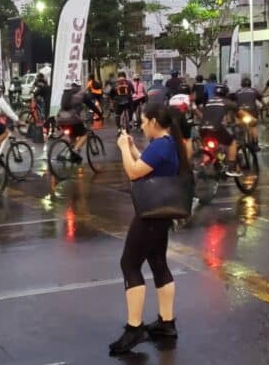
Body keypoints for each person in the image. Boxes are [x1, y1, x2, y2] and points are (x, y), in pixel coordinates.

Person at [111, 102, 188, 354]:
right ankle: (166, 323)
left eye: (144, 122)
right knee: (157, 262)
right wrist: (133, 147)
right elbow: (145, 165)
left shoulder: (162, 146)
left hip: (150, 216)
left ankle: (134, 329)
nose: (142, 126)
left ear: (155, 122)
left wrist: (123, 148)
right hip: (161, 214)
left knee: (130, 264)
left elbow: (134, 172)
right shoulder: (167, 144)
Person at [198, 84, 242, 177]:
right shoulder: (227, 101)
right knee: (231, 143)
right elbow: (239, 113)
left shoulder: (209, 101)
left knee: (210, 147)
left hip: (203, 128)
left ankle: (206, 164)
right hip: (216, 128)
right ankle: (231, 168)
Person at [55, 81, 90, 159]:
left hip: (61, 119)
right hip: (72, 119)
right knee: (84, 135)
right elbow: (91, 105)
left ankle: (71, 155)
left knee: (73, 136)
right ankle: (75, 150)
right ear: (80, 86)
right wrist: (99, 114)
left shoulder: (66, 93)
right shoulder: (81, 94)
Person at [231, 77, 263, 150]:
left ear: (242, 84)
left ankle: (239, 140)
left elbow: (234, 103)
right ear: (250, 84)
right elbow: (261, 99)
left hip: (241, 111)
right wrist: (265, 106)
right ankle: (255, 143)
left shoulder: (238, 91)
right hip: (252, 111)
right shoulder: (254, 90)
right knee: (253, 126)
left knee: (238, 123)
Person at [169, 82, 197, 162]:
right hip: (183, 119)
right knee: (188, 139)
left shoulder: (172, 98)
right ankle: (188, 162)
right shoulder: (189, 97)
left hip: (172, 121)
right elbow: (195, 111)